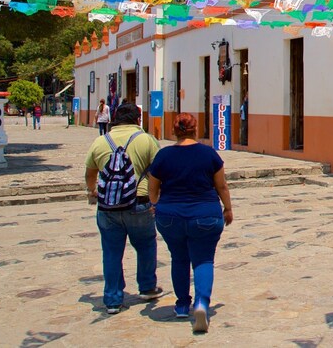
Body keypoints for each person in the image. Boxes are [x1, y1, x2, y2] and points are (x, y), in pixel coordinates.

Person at [147, 113, 233, 333]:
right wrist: (228, 208)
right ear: (195, 129)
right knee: (204, 260)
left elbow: (153, 188)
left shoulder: (163, 156)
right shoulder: (208, 154)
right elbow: (221, 186)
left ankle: (183, 304)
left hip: (170, 216)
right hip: (205, 214)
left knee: (179, 258)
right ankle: (202, 303)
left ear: (175, 131)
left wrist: (157, 204)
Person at [84, 103, 163, 314]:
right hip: (140, 202)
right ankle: (147, 287)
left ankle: (112, 299)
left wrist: (92, 191)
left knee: (111, 252)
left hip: (108, 206)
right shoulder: (146, 140)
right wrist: (157, 199)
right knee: (146, 246)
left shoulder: (100, 142)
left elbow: (90, 173)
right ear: (138, 118)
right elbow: (159, 172)